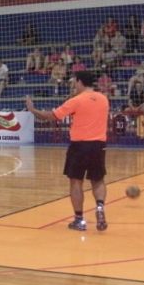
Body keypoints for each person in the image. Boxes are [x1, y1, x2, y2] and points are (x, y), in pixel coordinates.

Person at [25, 71, 110, 232]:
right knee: (98, 180)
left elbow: (51, 116)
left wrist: (33, 110)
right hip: (99, 145)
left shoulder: (76, 100)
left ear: (80, 82)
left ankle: (79, 220)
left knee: (76, 181)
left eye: (75, 82)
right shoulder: (104, 99)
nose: (74, 85)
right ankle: (100, 208)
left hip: (79, 145)